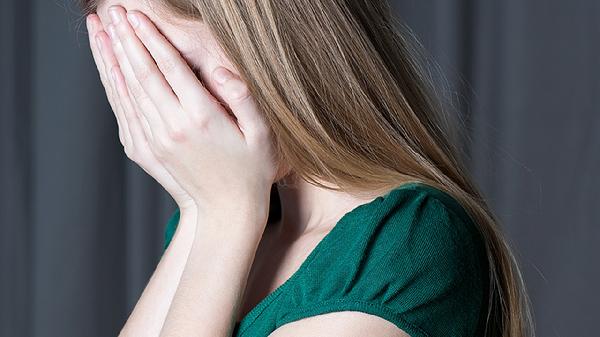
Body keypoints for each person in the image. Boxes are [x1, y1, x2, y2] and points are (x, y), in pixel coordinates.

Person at [81, 0, 534, 336]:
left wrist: (224, 215)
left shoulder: (407, 241)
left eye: (167, 69)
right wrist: (202, 213)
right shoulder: (215, 224)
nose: (169, 120)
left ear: (272, 47)